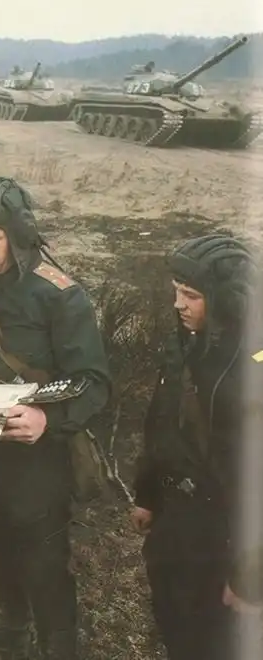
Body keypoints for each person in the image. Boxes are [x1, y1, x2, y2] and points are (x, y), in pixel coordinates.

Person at [0, 176, 111, 660]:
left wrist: (48, 420)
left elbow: (94, 381)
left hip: (38, 455)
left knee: (45, 559)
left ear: (19, 234)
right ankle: (12, 626)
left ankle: (57, 645)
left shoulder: (58, 295)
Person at [131, 234, 263, 660]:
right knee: (174, 621)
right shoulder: (187, 344)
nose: (178, 305)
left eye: (191, 295)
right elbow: (160, 425)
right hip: (176, 520)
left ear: (227, 301)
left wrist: (250, 579)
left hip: (225, 537)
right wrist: (147, 495)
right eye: (176, 292)